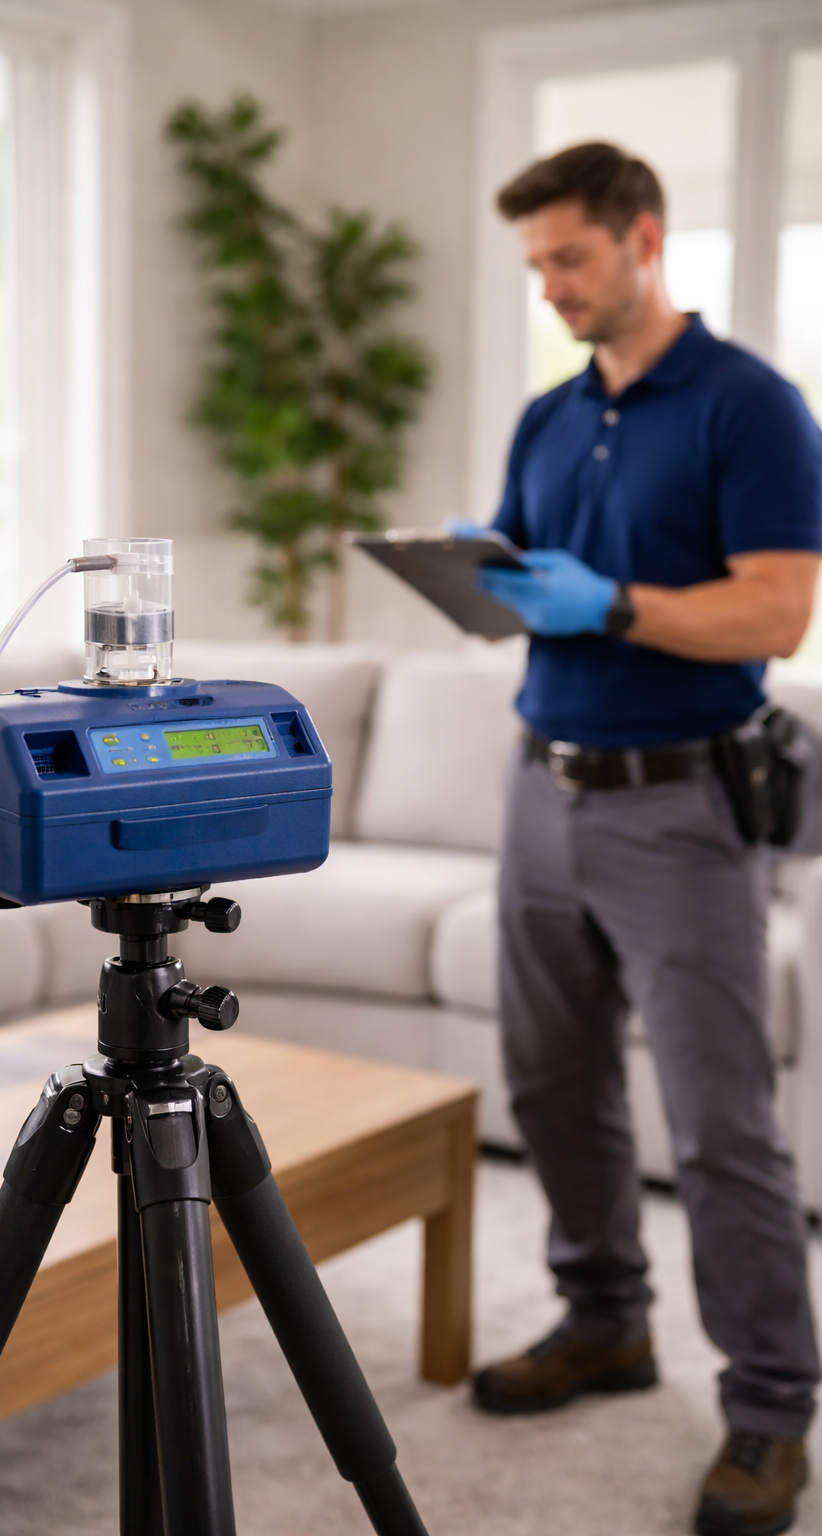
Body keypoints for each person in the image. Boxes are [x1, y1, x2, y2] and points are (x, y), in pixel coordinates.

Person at [470, 141, 822, 1536]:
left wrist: (607, 605)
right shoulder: (550, 419)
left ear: (644, 242)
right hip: (538, 789)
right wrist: (473, 575)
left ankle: (771, 1411)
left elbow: (773, 615)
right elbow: (516, 580)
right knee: (553, 1087)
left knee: (722, 1120)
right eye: (537, 265)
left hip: (680, 806)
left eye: (571, 257)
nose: (551, 285)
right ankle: (604, 1321)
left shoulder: (751, 406)